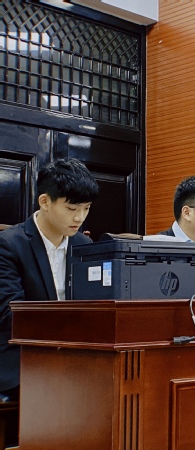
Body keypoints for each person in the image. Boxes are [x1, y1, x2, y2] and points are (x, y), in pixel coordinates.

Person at [0, 158, 99, 402]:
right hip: (21, 356)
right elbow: (11, 315)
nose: (80, 217)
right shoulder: (9, 244)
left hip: (73, 354)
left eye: (86, 208)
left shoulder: (84, 245)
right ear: (45, 201)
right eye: (71, 209)